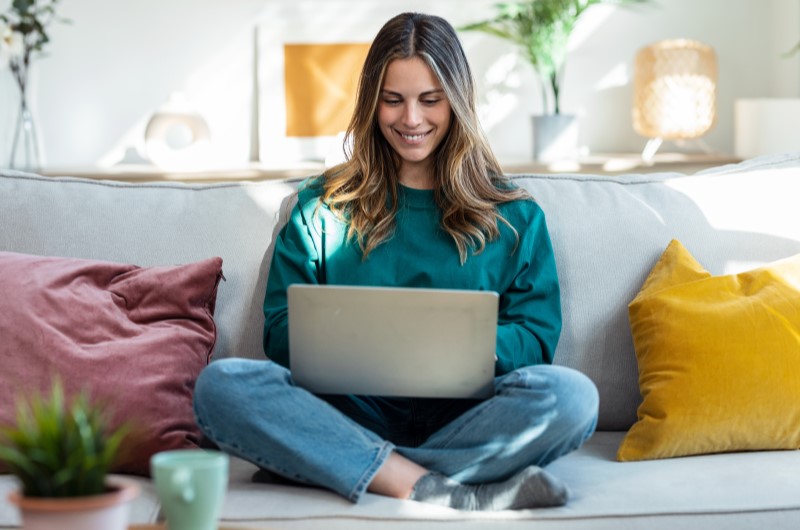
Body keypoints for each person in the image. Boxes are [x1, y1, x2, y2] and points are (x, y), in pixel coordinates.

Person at [193, 12, 598, 511]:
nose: (411, 119)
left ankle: (356, 467)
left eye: (430, 100)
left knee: (574, 397)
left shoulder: (514, 215)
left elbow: (536, 338)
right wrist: (358, 339)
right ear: (371, 102)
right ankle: (439, 488)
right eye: (393, 100)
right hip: (347, 411)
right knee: (221, 386)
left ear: (457, 101)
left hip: (469, 416)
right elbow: (278, 331)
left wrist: (454, 344)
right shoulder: (321, 206)